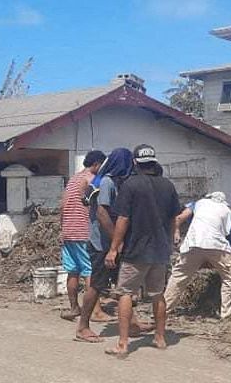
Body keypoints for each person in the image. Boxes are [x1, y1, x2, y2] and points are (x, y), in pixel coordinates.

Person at [104, 144, 181, 359]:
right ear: (154, 162)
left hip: (136, 250)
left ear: (135, 163)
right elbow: (175, 216)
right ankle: (160, 338)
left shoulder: (131, 185)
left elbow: (123, 219)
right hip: (160, 250)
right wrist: (174, 236)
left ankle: (123, 344)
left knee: (125, 293)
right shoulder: (168, 185)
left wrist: (113, 249)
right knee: (158, 295)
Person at [74, 148, 149, 343]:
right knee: (97, 285)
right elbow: (102, 214)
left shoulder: (118, 182)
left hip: (113, 243)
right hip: (102, 244)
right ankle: (83, 327)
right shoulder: (107, 182)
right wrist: (117, 242)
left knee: (124, 285)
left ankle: (132, 323)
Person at [164, 192, 231, 319]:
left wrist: (176, 232)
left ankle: (163, 310)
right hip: (217, 245)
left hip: (193, 243)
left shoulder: (198, 203)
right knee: (229, 277)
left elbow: (178, 219)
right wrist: (222, 257)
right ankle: (226, 314)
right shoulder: (227, 210)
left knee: (178, 277)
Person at [59, 150, 111, 322]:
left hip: (68, 232)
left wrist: (63, 229)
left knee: (73, 271)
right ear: (97, 164)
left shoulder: (73, 180)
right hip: (84, 232)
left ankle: (74, 307)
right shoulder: (93, 181)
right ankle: (95, 311)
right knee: (91, 272)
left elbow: (63, 205)